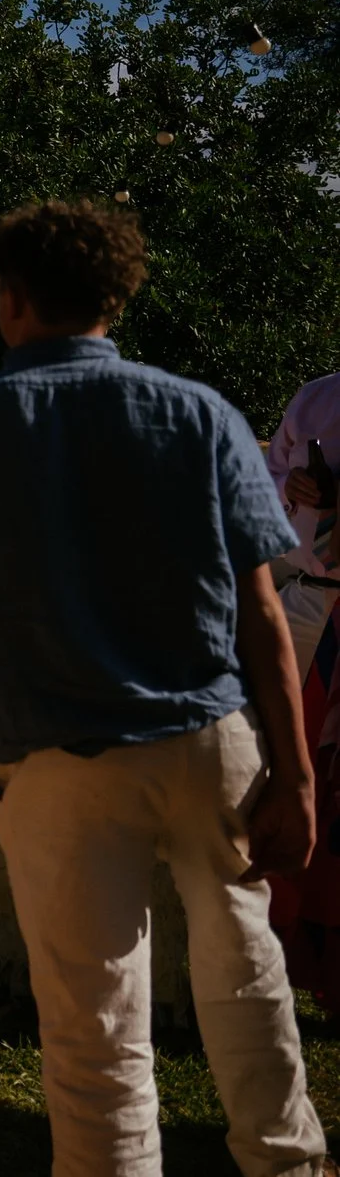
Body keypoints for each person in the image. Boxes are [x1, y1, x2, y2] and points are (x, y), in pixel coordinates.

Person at [0, 198, 322, 1177]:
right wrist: (294, 771)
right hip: (206, 733)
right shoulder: (199, 411)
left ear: (13, 298)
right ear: (112, 301)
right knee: (246, 964)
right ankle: (288, 1165)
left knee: (93, 1019)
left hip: (52, 752)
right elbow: (261, 613)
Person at [265, 369, 340, 999]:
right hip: (309, 601)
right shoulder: (316, 396)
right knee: (286, 759)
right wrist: (291, 485)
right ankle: (283, 935)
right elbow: (264, 482)